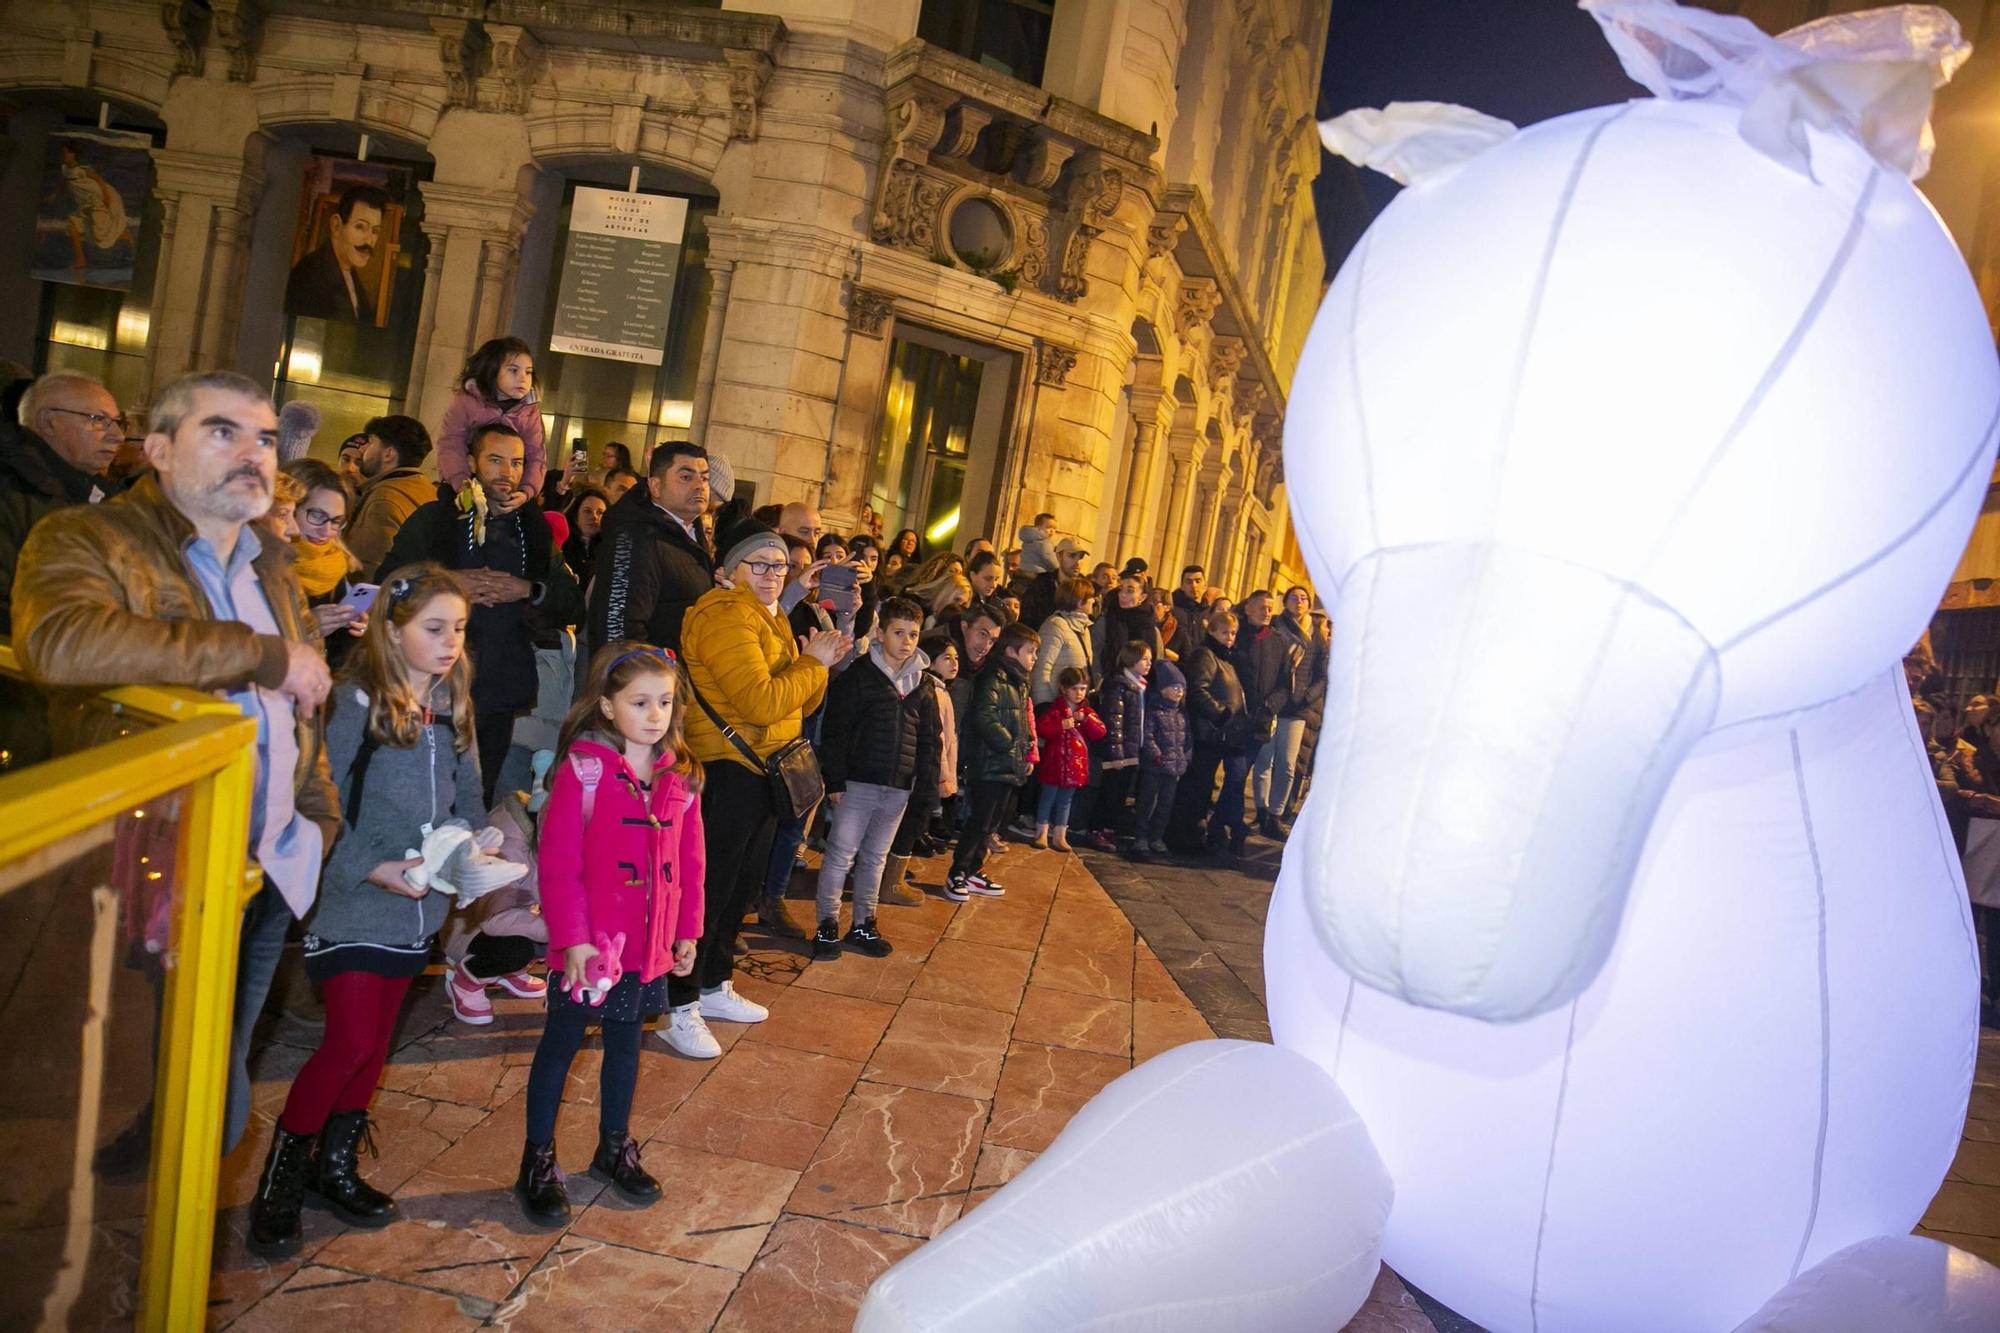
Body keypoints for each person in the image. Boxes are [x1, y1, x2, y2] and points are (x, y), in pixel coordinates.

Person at [13, 370, 339, 1159]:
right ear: (157, 449)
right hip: (165, 857)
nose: (253, 454)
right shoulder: (87, 538)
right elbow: (61, 642)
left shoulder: (271, 563)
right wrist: (257, 655)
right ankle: (152, 1238)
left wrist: (318, 817)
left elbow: (304, 703)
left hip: (272, 858)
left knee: (214, 1047)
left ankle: (161, 1167)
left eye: (264, 437)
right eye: (221, 431)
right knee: (200, 1084)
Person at [250, 565, 506, 1257]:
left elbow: (469, 794)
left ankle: (333, 1166)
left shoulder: (454, 702)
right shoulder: (354, 702)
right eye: (434, 628)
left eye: (459, 627)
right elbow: (319, 802)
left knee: (375, 1046)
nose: (451, 641)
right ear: (393, 632)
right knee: (349, 1042)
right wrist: (373, 867)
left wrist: (477, 839)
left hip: (417, 912)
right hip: (355, 899)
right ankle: (279, 1179)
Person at [517, 642, 705, 1225]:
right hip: (592, 949)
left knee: (628, 1045)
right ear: (605, 706)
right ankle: (537, 1160)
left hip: (647, 947)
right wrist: (573, 938)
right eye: (640, 702)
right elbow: (559, 864)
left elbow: (693, 858)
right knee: (561, 1044)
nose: (656, 715)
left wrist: (687, 930)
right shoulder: (584, 772)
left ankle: (613, 1146)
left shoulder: (681, 776)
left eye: (666, 702)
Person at [665, 517, 848, 1058]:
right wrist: (813, 665)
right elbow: (761, 703)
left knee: (739, 888)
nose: (773, 575)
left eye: (779, 566)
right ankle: (679, 1004)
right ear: (727, 571)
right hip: (728, 770)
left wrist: (810, 667)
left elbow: (801, 700)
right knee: (711, 890)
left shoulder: (764, 617)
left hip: (762, 768)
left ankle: (714, 984)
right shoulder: (727, 617)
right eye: (760, 564)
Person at [377, 423, 583, 807]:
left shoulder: (532, 528)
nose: (507, 472)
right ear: (471, 462)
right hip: (433, 688)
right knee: (419, 796)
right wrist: (446, 584)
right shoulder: (436, 519)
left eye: (517, 463)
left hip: (500, 687)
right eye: (495, 460)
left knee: (478, 795)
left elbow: (572, 601)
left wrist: (529, 591)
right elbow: (385, 585)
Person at [812, 597, 939, 958]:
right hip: (858, 783)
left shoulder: (923, 684)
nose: (907, 641)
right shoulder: (858, 678)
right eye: (899, 633)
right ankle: (826, 925)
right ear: (881, 634)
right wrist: (835, 780)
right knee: (840, 855)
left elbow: (931, 740)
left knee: (876, 858)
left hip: (898, 787)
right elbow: (835, 732)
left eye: (913, 634)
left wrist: (925, 788)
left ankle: (864, 924)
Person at [0, 370, 120, 634]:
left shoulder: (103, 499)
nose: (118, 436)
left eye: (117, 422)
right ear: (48, 422)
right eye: (99, 420)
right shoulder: (10, 492)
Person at [589, 442, 713, 657]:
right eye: (686, 477)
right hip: (651, 681)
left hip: (679, 681)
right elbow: (619, 628)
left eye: (704, 478)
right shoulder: (638, 538)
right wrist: (639, 682)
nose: (699, 485)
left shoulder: (692, 534)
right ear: (655, 487)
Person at [947, 621, 1038, 899]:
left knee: (992, 824)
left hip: (1007, 764)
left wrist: (1025, 750)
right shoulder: (995, 677)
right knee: (979, 821)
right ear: (1011, 651)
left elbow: (1020, 719)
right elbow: (984, 716)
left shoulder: (1018, 681)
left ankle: (973, 870)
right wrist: (1009, 743)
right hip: (989, 763)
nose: (1034, 658)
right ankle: (957, 874)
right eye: (1030, 652)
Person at [1170, 608, 1250, 861]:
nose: (1229, 637)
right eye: (1225, 632)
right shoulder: (1206, 655)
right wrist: (1221, 713)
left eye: (1233, 633)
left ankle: (1192, 833)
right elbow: (1197, 689)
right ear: (1212, 631)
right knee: (1195, 785)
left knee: (1204, 788)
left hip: (1219, 735)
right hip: (1207, 732)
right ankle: (1181, 835)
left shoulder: (1225, 658)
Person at [436, 336, 545, 507]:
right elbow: (451, 443)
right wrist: (461, 482)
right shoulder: (467, 400)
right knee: (447, 512)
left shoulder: (530, 411)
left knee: (534, 522)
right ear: (492, 371)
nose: (523, 378)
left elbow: (536, 454)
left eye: (528, 372)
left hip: (510, 488)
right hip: (466, 481)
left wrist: (526, 490)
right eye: (513, 370)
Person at [1233, 590, 1300, 838]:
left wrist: (1270, 706)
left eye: (1270, 607)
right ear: (1248, 608)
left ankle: (1237, 824)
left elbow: (1285, 684)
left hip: (1261, 718)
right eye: (1261, 607)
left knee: (1244, 772)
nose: (1266, 612)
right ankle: (1228, 824)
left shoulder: (1277, 642)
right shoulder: (1236, 636)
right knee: (1236, 775)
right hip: (1235, 716)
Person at [282, 458, 367, 655]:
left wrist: (354, 630)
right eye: (317, 516)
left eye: (336, 521)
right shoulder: (258, 565)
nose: (327, 531)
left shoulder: (336, 565)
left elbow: (337, 655)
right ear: (288, 509)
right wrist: (306, 627)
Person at [1265, 586, 1325, 834]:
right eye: (1293, 597)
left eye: (1303, 598)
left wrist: (1306, 697)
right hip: (1272, 703)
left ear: (1309, 604)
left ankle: (1275, 814)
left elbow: (1322, 674)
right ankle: (1262, 810)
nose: (1298, 602)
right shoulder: (1276, 627)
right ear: (1285, 601)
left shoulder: (1316, 637)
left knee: (1288, 765)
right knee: (1264, 762)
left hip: (1298, 708)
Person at [285, 183, 388, 322]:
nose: (369, 240)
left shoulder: (350, 275)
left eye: (375, 231)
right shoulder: (308, 275)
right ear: (336, 225)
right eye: (360, 227)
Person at [345, 414, 435, 572]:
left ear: (388, 454)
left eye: (371, 442)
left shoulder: (383, 500)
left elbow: (371, 568)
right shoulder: (431, 492)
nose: (362, 449)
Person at [1032, 667, 1106, 850]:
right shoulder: (1055, 710)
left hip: (1074, 766)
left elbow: (1100, 732)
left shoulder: (1087, 712)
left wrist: (1087, 720)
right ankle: (1041, 832)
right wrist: (1061, 725)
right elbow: (1042, 728)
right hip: (1054, 763)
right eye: (1075, 688)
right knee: (1047, 798)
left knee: (1066, 801)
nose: (1079, 693)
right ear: (1064, 688)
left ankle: (1060, 835)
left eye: (1082, 688)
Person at [1095, 640, 1152, 845]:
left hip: (1132, 747)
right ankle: (1099, 828)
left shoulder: (1139, 686)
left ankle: (1110, 829)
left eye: (1150, 659)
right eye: (1144, 659)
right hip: (1119, 750)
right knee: (1111, 791)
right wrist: (1116, 751)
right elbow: (1114, 719)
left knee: (1121, 793)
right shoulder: (1120, 685)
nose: (1148, 663)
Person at [1132, 659, 1190, 858]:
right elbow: (1147, 736)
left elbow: (1187, 740)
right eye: (1174, 687)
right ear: (1163, 689)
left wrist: (1185, 759)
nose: (1179, 691)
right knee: (1147, 802)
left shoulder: (1181, 715)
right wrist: (1156, 755)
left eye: (1181, 687)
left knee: (1165, 806)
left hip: (1173, 769)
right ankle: (1141, 836)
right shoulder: (1154, 712)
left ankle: (1156, 837)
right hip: (1155, 767)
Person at [1030, 575, 1098, 704]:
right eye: (1090, 597)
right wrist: (1043, 705)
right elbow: (1042, 667)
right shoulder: (1055, 625)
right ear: (1080, 601)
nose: (1093, 601)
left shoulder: (1084, 628)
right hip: (1054, 706)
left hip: (1073, 705)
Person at [1167, 565, 1207, 662]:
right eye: (1189, 582)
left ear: (1205, 586)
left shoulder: (1209, 613)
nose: (1194, 585)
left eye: (1198, 581)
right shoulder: (1172, 611)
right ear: (1182, 586)